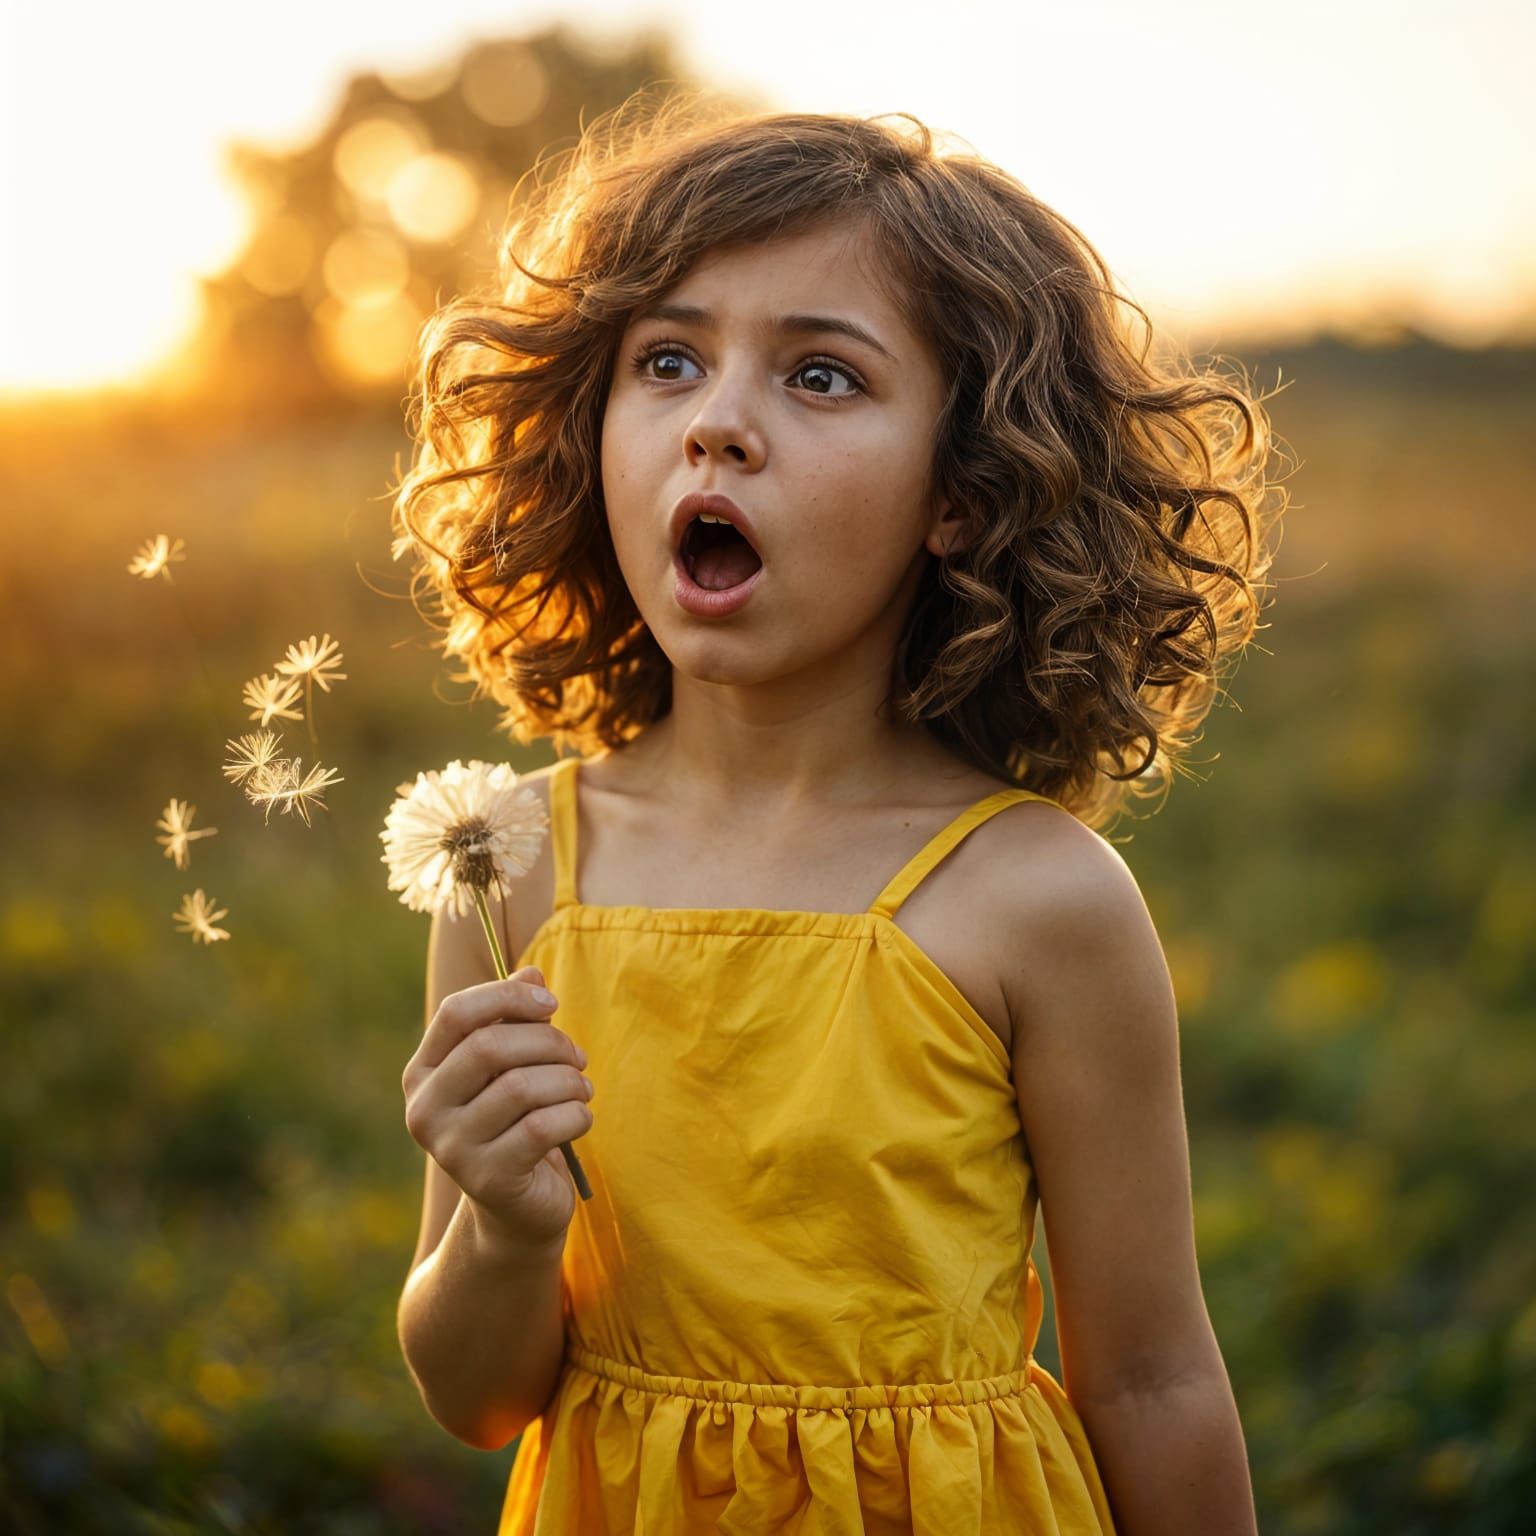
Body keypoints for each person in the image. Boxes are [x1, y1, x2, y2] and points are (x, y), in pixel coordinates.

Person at [394, 92, 1282, 1535]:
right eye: (666, 361)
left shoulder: (1036, 897)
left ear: (964, 497)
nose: (719, 427)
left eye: (821, 379)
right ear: (592, 427)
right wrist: (504, 1227)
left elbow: (1155, 1382)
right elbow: (477, 1398)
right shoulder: (511, 868)